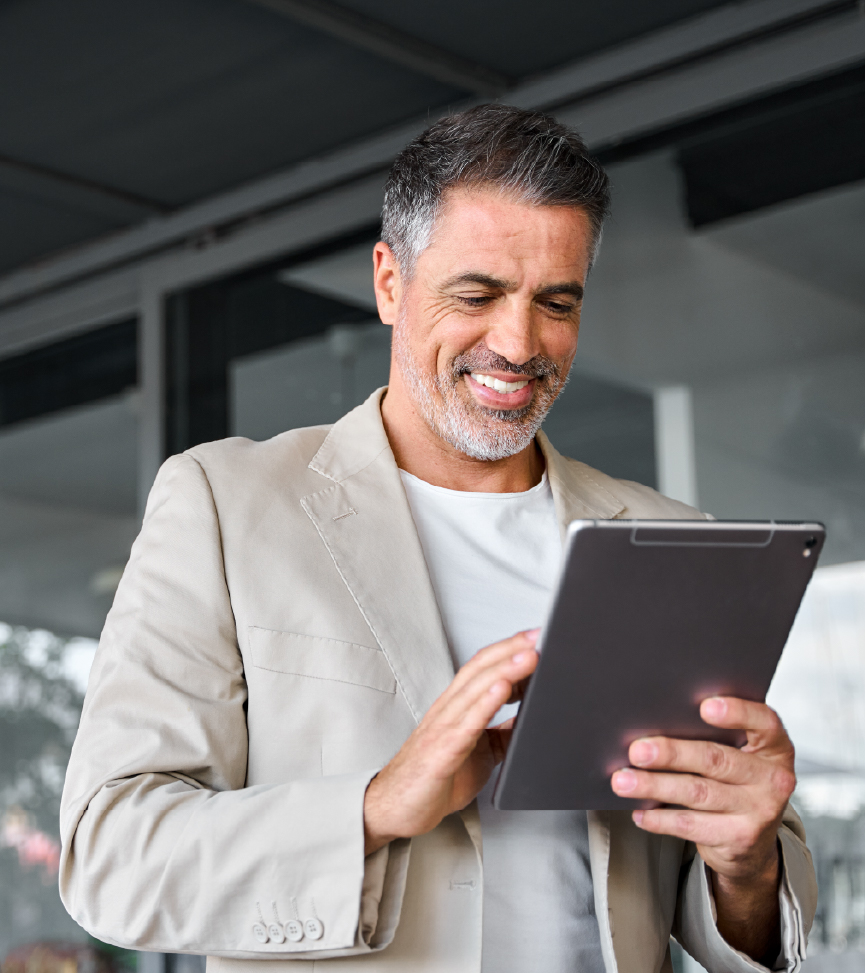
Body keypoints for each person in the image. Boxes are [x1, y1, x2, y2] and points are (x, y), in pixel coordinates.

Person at [59, 105, 815, 973]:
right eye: (478, 293)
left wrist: (746, 860)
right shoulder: (226, 505)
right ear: (388, 281)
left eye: (554, 302)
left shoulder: (671, 541)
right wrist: (376, 805)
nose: (517, 343)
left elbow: (741, 923)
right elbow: (109, 857)